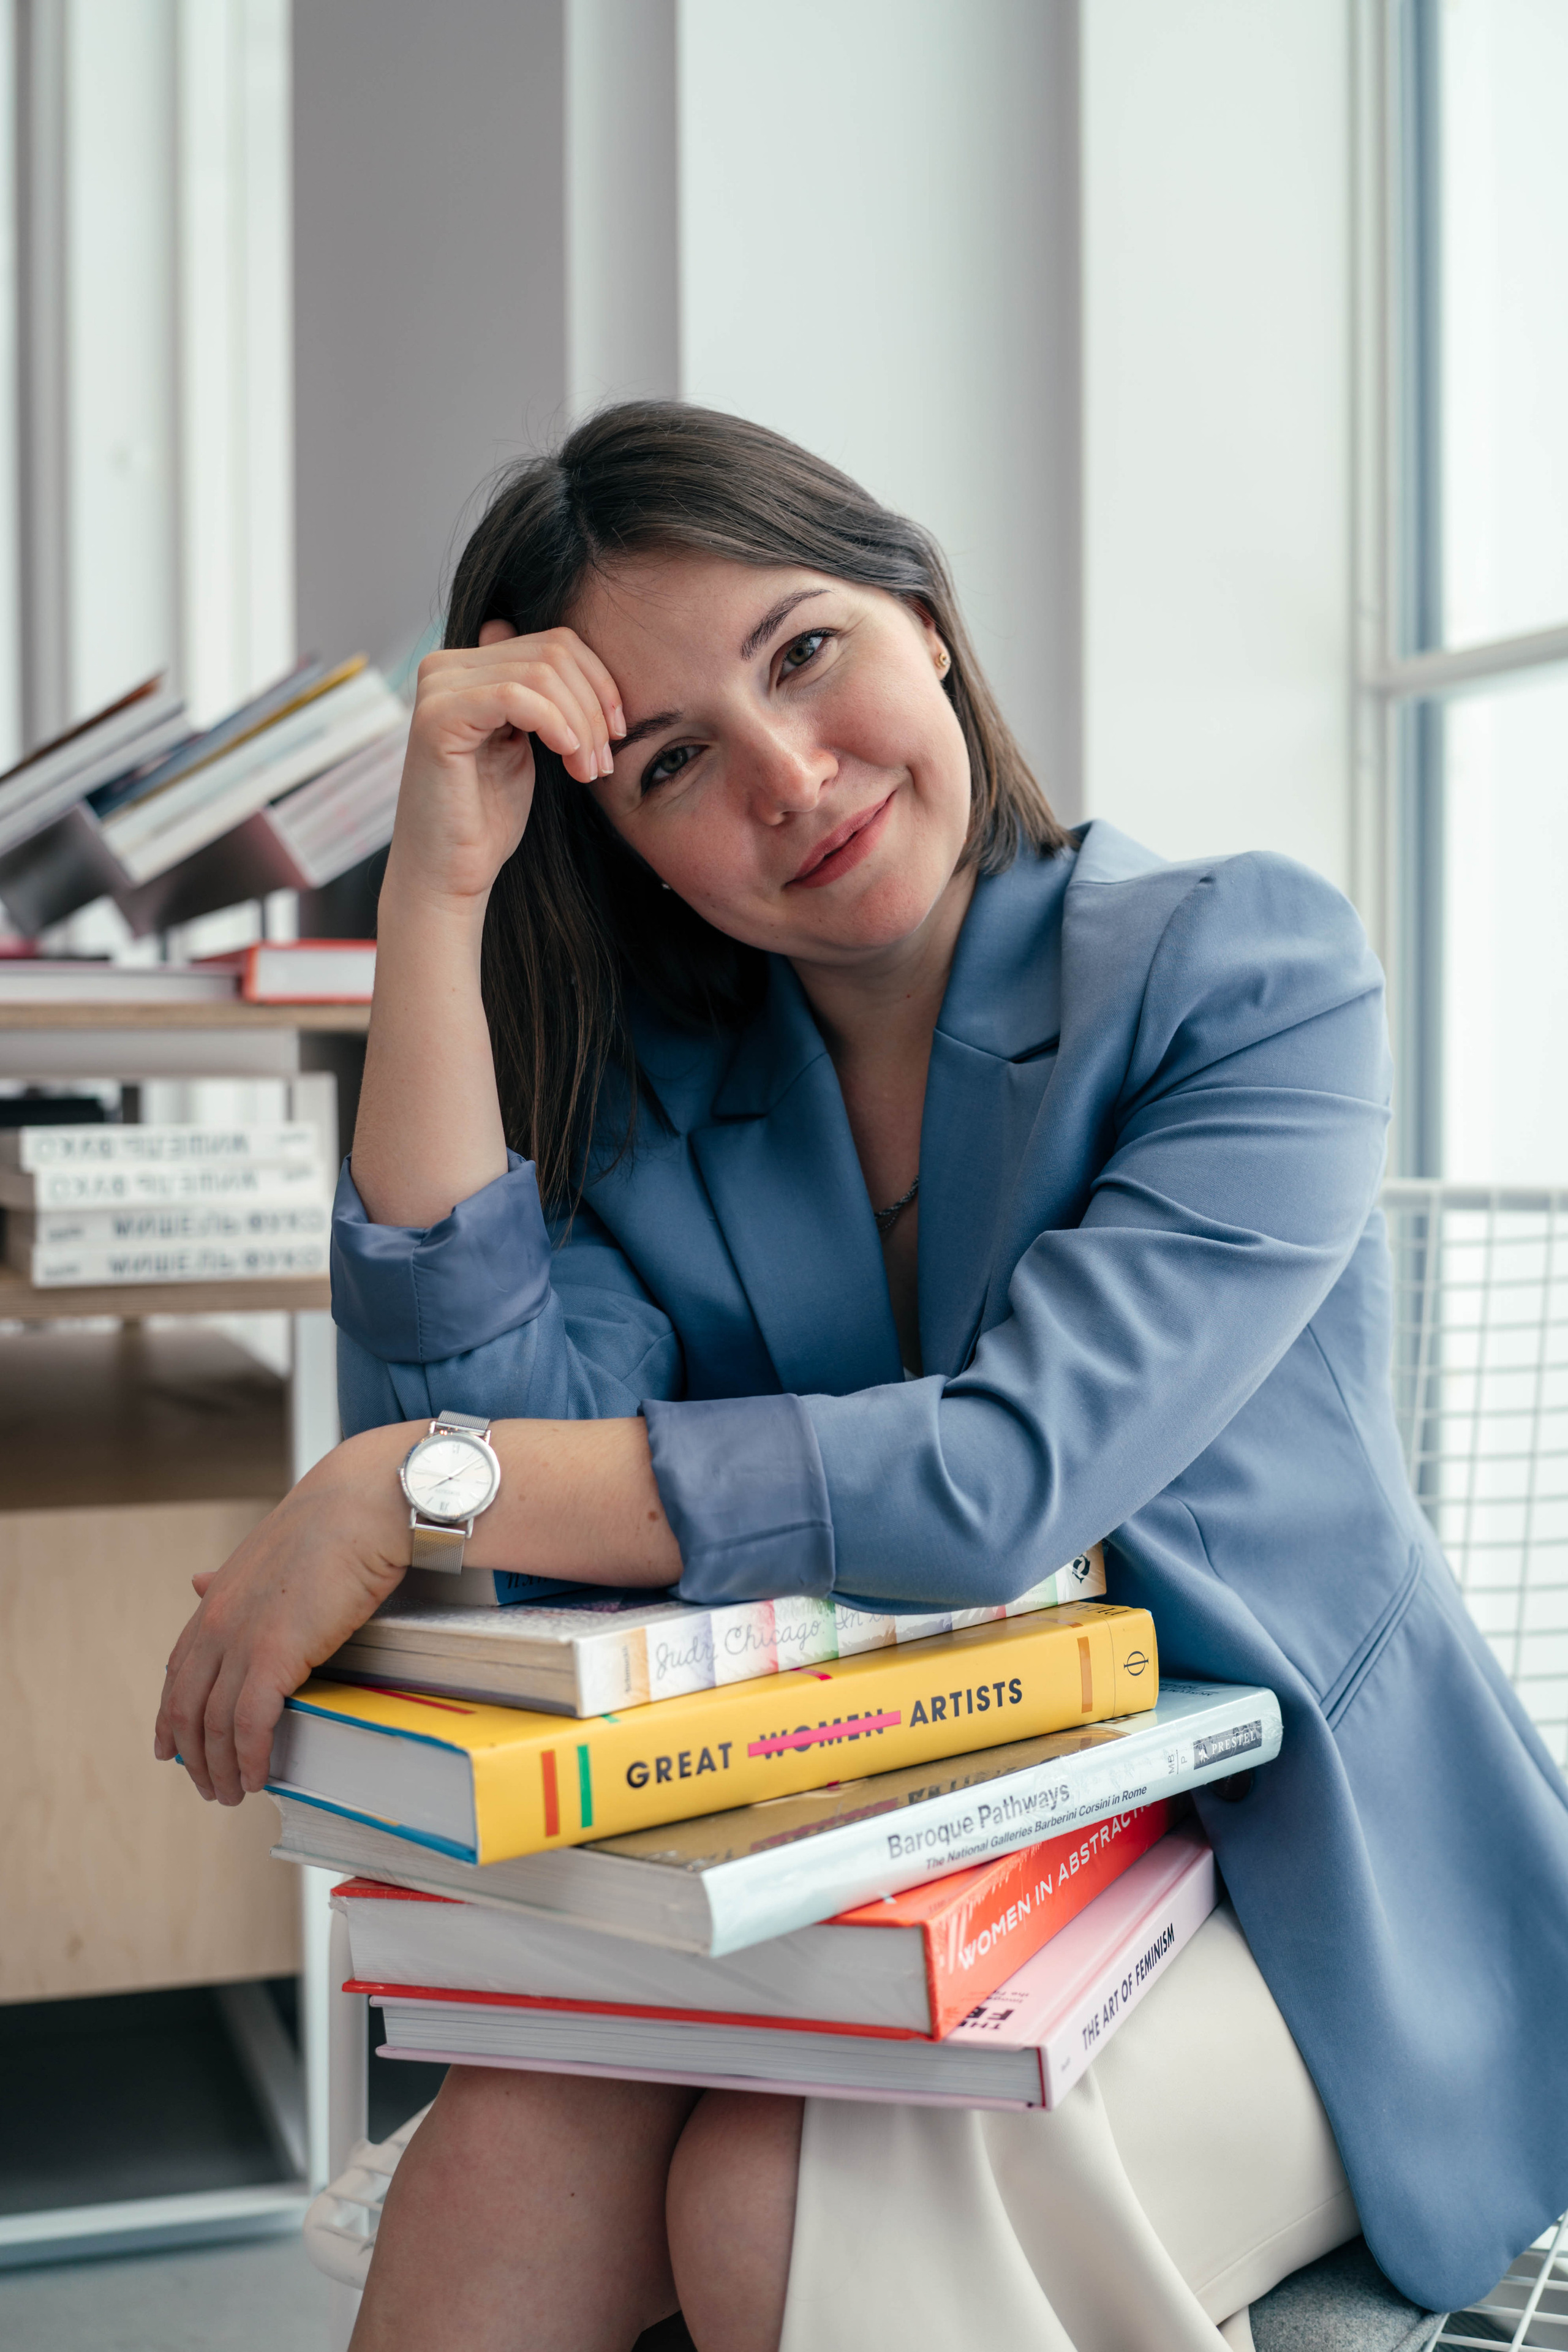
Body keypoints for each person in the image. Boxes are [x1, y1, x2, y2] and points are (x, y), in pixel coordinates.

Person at [156, 403, 1568, 2352]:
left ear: (923, 612)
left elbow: (995, 1485)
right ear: (628, 848)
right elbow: (501, 1482)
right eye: (671, 765)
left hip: (1300, 1891)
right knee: (514, 2140)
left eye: (804, 652)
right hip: (857, 1856)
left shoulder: (1250, 975)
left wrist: (407, 1490)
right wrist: (438, 895)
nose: (792, 776)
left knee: (774, 2190)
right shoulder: (660, 1108)